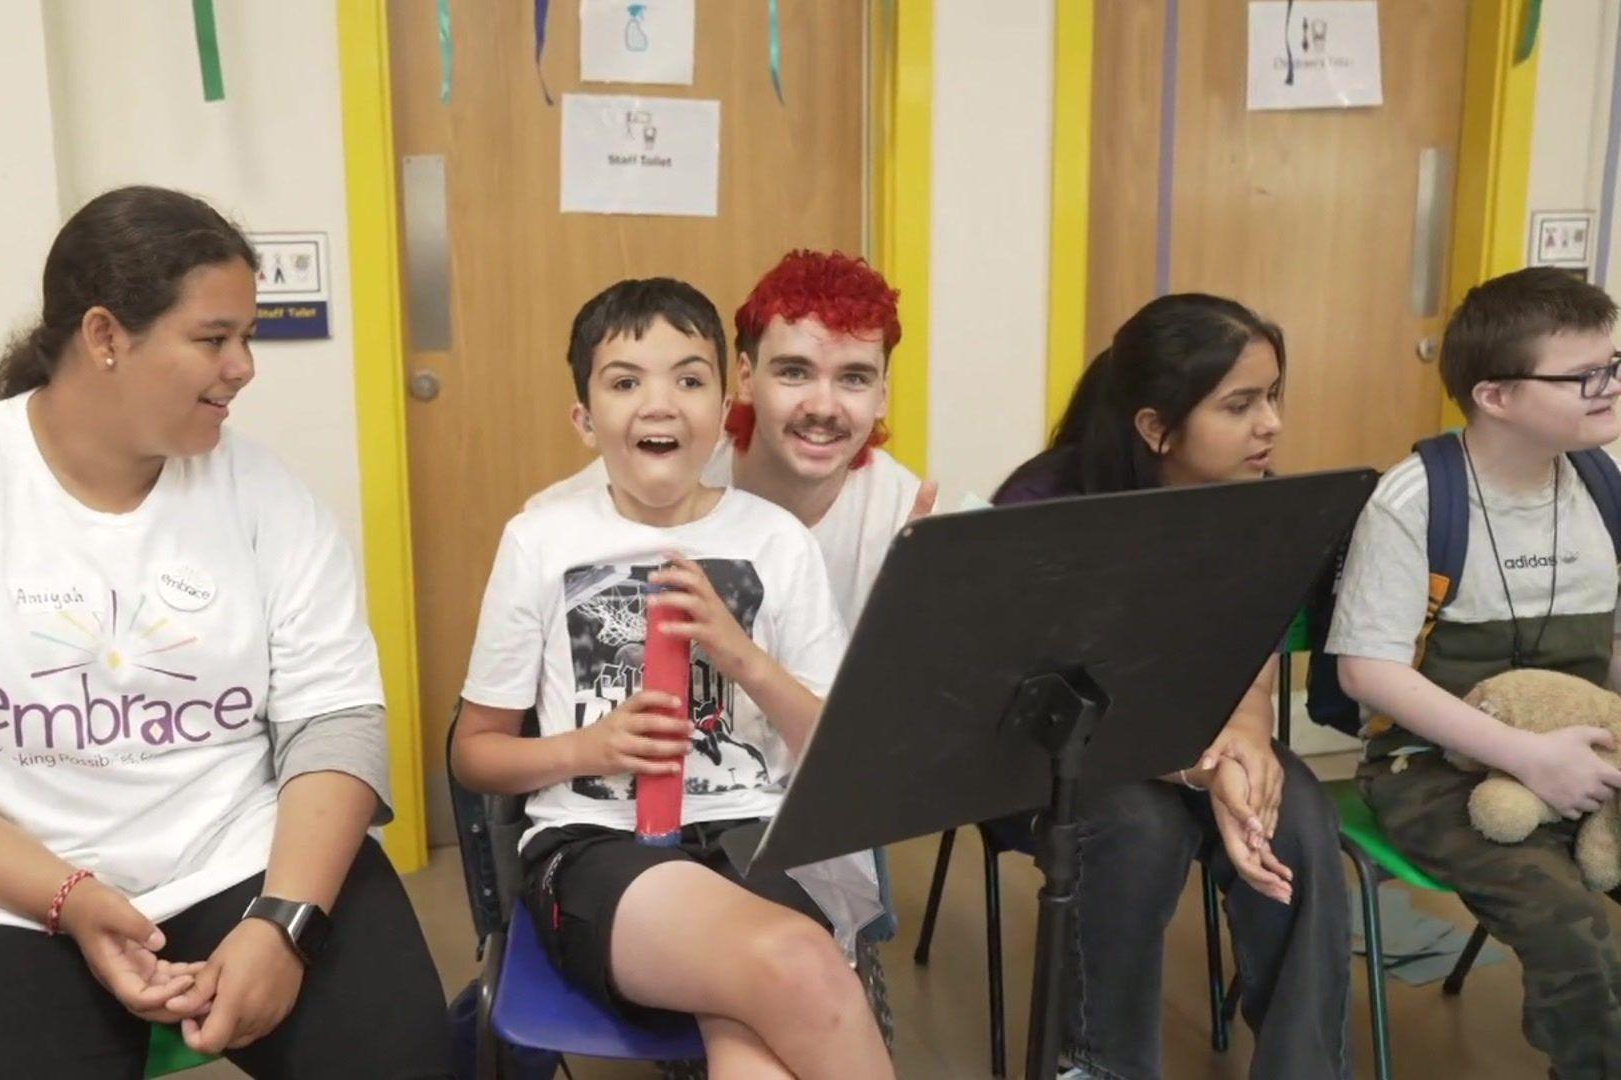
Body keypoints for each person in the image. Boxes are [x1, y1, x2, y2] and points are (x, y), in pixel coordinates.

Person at [0, 186, 451, 1078]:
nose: (243, 368)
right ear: (106, 335)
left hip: (233, 860)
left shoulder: (266, 498)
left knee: (406, 1060)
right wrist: (66, 896)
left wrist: (284, 924)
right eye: (213, 338)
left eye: (247, 337)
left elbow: (333, 722)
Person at [455, 277, 892, 1078]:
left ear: (726, 407)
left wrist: (742, 659)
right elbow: (474, 754)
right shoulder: (540, 539)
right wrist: (587, 749)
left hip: (755, 841)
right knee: (799, 966)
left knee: (752, 1050)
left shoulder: (776, 540)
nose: (660, 404)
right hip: (594, 849)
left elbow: (839, 752)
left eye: (689, 379)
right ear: (586, 420)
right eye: (626, 382)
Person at [993, 293, 1351, 1080]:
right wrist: (1201, 768)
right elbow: (1038, 700)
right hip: (1058, 758)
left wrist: (1251, 732)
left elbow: (1252, 645)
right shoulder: (1043, 506)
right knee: (1139, 829)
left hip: (1204, 738)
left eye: (1272, 396)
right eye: (1241, 404)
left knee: (1297, 818)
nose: (1272, 425)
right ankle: (1098, 1065)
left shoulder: (1258, 499)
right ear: (1156, 427)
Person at [1332, 267, 1621, 1078]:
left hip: (1592, 747)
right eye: (1585, 376)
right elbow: (1367, 672)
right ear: (1496, 396)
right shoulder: (1419, 500)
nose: (1610, 389)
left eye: (1616, 365)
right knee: (1572, 926)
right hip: (1434, 767)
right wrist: (1528, 756)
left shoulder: (1601, 483)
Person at [533, 249, 938, 630]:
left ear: (882, 395)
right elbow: (548, 526)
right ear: (745, 378)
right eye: (794, 372)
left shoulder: (906, 518)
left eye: (854, 378)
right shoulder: (670, 464)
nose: (823, 407)